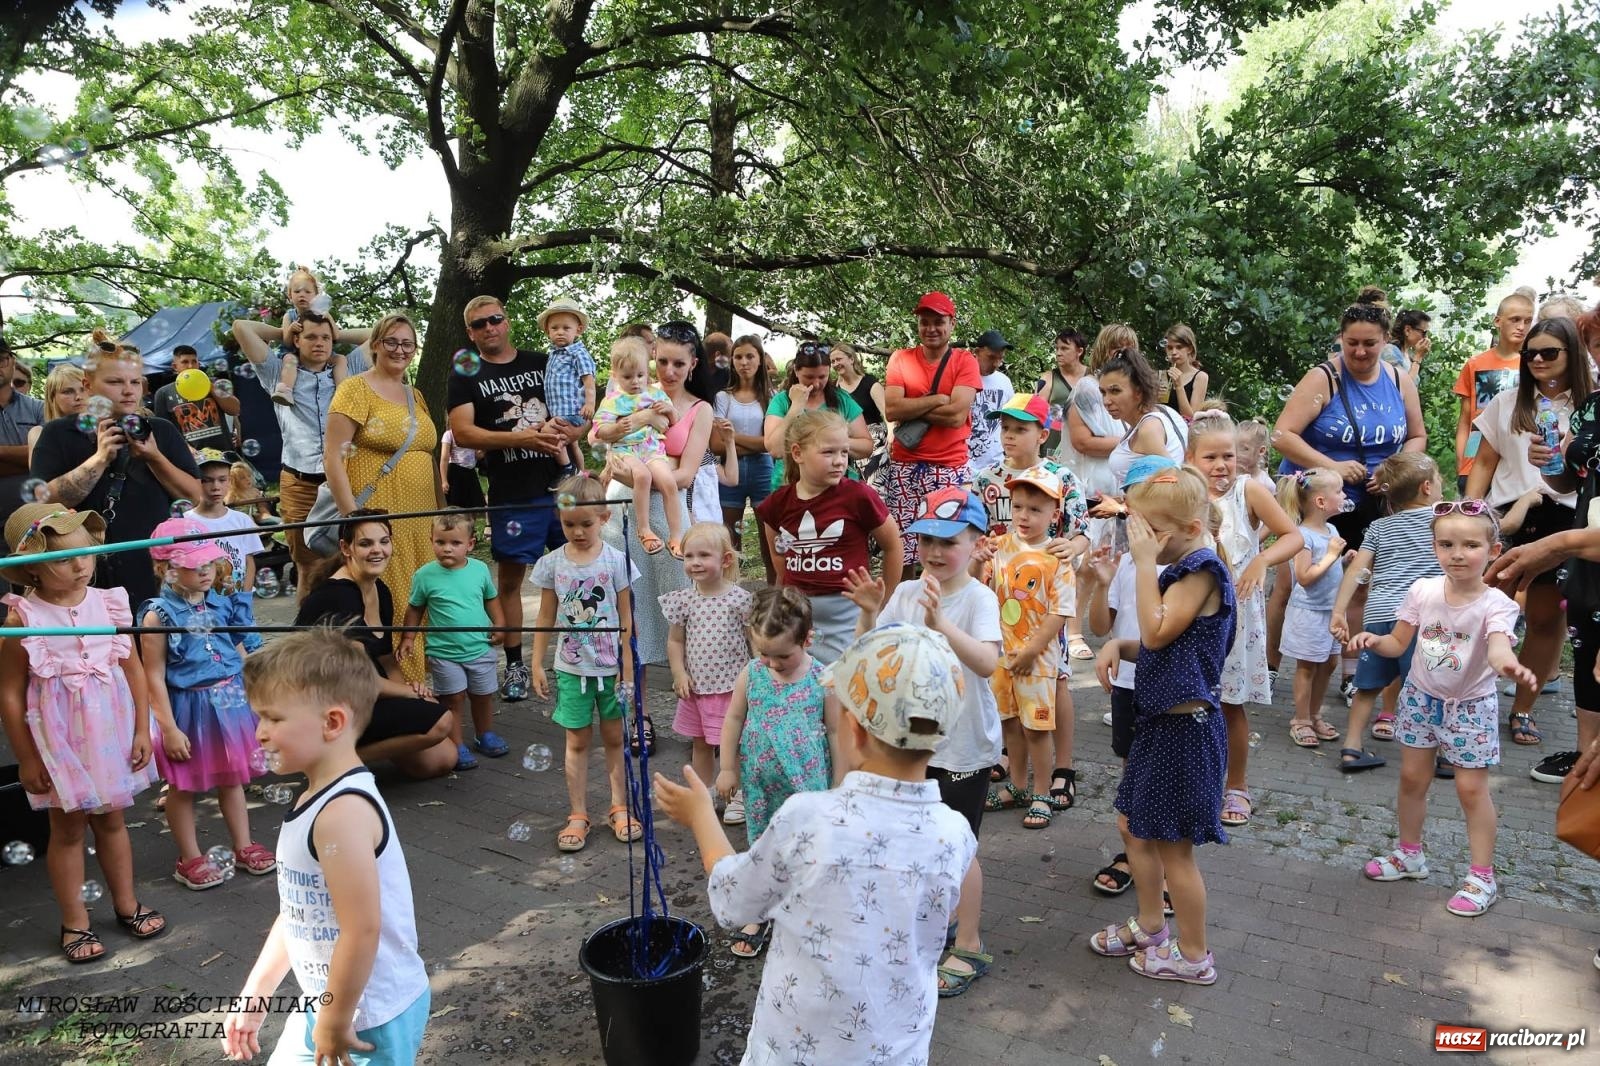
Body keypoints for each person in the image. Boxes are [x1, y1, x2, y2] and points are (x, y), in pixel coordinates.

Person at [653, 624, 975, 1062]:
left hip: (795, 1048)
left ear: (855, 732)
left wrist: (700, 817)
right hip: (895, 1049)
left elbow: (734, 902)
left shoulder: (809, 818)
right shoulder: (955, 834)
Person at [226, 631, 430, 1064]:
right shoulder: (315, 797)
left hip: (368, 1015)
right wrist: (257, 991)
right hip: (329, 1003)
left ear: (332, 722)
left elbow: (361, 928)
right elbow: (302, 908)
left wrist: (335, 1019)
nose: (259, 733)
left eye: (273, 718)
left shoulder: (341, 813)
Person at [843, 486, 1001, 997]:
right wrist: (870, 611)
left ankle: (969, 942)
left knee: (960, 846)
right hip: (911, 744)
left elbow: (987, 662)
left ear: (976, 542)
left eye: (948, 540)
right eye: (926, 538)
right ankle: (939, 918)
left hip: (964, 747)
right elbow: (875, 647)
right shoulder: (908, 591)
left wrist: (940, 624)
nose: (934, 551)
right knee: (916, 837)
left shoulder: (979, 599)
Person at [1089, 460, 1234, 985]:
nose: (1140, 541)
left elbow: (1155, 633)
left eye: (1150, 531)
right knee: (1131, 824)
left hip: (1185, 730)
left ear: (1192, 529)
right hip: (1160, 723)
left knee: (1176, 851)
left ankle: (1194, 956)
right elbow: (1158, 642)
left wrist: (1145, 564)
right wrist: (1116, 644)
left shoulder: (1200, 571)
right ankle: (1152, 926)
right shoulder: (1180, 570)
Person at [1354, 500, 1536, 917]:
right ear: (1434, 547)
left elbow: (1497, 648)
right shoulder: (1422, 589)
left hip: (1470, 707)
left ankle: (1482, 876)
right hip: (1420, 698)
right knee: (1411, 778)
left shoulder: (1498, 605)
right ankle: (1409, 855)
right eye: (1447, 544)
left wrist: (1508, 664)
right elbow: (1398, 643)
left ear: (1492, 550)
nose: (1457, 553)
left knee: (1471, 790)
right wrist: (1372, 640)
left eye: (1470, 545)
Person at [0, 505, 165, 962]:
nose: (80, 566)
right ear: (29, 567)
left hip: (109, 731)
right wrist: (27, 757)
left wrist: (140, 728)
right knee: (68, 828)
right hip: (59, 740)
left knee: (113, 820)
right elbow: (10, 694)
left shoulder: (107, 602)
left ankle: (126, 904)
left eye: (87, 554)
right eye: (63, 559)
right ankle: (75, 922)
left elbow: (133, 669)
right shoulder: (23, 619)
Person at [1274, 301, 1427, 698]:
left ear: (1386, 342)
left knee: (1357, 584)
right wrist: (1333, 467)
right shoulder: (1323, 377)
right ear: (1340, 339)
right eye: (1351, 343)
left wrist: (1393, 470)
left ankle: (1348, 672)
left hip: (1374, 499)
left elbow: (1417, 436)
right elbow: (1283, 434)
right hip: (1319, 499)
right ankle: (1271, 667)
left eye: (1369, 344)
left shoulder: (1398, 379)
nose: (1359, 352)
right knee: (1296, 584)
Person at [446, 295, 580, 702]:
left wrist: (570, 433)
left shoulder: (544, 361)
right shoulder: (465, 374)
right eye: (480, 324)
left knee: (579, 574)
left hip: (560, 489)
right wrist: (522, 437)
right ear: (470, 333)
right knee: (510, 582)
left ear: (507, 322)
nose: (489, 328)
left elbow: (580, 411)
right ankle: (516, 665)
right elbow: (464, 433)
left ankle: (584, 656)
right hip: (511, 494)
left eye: (495, 319)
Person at [1467, 314, 1588, 753]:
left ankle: (1522, 709)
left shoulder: (1591, 404)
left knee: (1543, 619)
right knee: (1479, 612)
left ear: (1572, 354)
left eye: (1549, 352)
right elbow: (1483, 462)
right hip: (1509, 514)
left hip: (1567, 519)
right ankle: (1465, 699)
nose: (1537, 359)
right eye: (1530, 352)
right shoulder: (1507, 401)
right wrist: (1473, 513)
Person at [138, 520, 275, 890]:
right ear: (166, 569)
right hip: (189, 709)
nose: (204, 571)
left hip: (229, 701)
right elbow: (153, 676)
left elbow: (242, 649)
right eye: (194, 565)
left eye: (209, 564)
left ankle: (243, 845)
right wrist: (167, 728)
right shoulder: (157, 615)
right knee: (184, 786)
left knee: (232, 777)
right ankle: (190, 857)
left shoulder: (221, 602)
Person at [600, 321, 715, 749]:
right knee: (630, 616)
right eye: (661, 360)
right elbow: (603, 446)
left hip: (667, 517)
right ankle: (638, 717)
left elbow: (685, 473)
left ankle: (703, 712)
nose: (668, 370)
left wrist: (638, 474)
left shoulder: (700, 409)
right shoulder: (627, 394)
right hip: (620, 513)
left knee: (684, 613)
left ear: (692, 365)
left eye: (678, 363)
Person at [1186, 407, 1302, 828]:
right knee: (1191, 703)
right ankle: (1197, 779)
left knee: (1230, 705)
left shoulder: (1249, 492)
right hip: (1190, 617)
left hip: (1235, 620)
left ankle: (1237, 785)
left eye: (1229, 457)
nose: (1221, 466)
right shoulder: (1184, 494)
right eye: (1210, 457)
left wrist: (1261, 560)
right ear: (1189, 459)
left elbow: (1293, 535)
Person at [971, 392, 1087, 804]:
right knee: (1007, 694)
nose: (1010, 436)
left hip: (1044, 603)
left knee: (1056, 683)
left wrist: (1073, 547)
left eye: (1021, 428)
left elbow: (1080, 530)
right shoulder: (986, 479)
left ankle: (1061, 769)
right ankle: (1015, 772)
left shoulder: (1062, 478)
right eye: (1005, 428)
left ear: (1043, 433)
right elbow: (976, 533)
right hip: (1001, 600)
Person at [30, 333, 201, 608]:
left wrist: (155, 457)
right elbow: (42, 502)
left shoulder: (161, 431)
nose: (128, 390)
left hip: (157, 573)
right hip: (89, 577)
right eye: (115, 382)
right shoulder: (59, 433)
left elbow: (195, 497)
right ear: (88, 385)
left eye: (135, 382)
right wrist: (98, 460)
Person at [712, 586, 836, 958]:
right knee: (762, 849)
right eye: (763, 653)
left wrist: (842, 784)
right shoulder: (753, 673)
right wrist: (727, 767)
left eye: (782, 655)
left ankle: (804, 911)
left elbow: (837, 732)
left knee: (807, 850)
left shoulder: (823, 679)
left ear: (807, 639)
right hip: (760, 786)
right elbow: (734, 718)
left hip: (807, 788)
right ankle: (760, 911)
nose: (772, 663)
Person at [293, 512, 456, 780]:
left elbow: (387, 659)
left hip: (358, 696)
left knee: (440, 759)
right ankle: (331, 763)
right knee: (441, 721)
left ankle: (349, 752)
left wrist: (413, 690)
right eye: (366, 543)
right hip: (323, 703)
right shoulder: (340, 595)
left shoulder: (380, 590)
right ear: (346, 548)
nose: (377, 550)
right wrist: (408, 695)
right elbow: (357, 677)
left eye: (384, 541)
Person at [323, 312, 441, 683]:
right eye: (391, 341)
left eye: (407, 343)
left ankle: (425, 689)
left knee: (423, 601)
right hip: (380, 519)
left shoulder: (416, 395)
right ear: (374, 345)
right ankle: (399, 690)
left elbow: (427, 458)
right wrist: (355, 520)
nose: (399, 350)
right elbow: (333, 456)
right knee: (392, 600)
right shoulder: (355, 389)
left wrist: (441, 515)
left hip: (421, 520)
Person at [529, 472, 642, 852]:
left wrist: (627, 666)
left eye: (586, 523)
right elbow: (545, 616)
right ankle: (578, 814)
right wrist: (536, 662)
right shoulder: (552, 564)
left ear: (604, 518)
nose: (577, 532)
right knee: (576, 742)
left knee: (614, 738)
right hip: (571, 669)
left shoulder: (616, 561)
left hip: (611, 669)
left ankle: (620, 807)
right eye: (568, 524)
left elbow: (628, 621)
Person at [234, 308, 372, 601]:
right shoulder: (277, 372)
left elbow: (379, 334)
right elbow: (241, 327)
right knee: (308, 566)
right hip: (300, 483)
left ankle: (351, 633)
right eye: (310, 336)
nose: (320, 343)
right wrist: (283, 333)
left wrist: (338, 333)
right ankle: (310, 637)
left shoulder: (349, 369)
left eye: (325, 337)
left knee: (355, 559)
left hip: (344, 481)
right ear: (297, 340)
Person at [755, 409, 901, 663]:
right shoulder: (777, 504)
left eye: (844, 452)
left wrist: (882, 601)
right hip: (797, 614)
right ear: (798, 453)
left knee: (844, 686)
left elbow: (893, 545)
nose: (839, 461)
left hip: (848, 614)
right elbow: (778, 555)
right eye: (828, 452)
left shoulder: (858, 496)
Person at [1329, 453, 1444, 771]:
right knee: (1431, 687)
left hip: (1378, 616)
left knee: (1367, 686)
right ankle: (1441, 754)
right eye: (1438, 481)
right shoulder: (1444, 518)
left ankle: (1352, 747)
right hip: (1424, 617)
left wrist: (1339, 610)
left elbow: (1356, 571)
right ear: (1425, 487)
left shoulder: (1379, 527)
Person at [981, 467, 1072, 831]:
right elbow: (983, 590)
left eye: (1035, 509)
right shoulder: (1000, 547)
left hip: (1037, 659)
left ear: (1054, 514)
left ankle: (1041, 791)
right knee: (1010, 724)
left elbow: (1060, 612)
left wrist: (1033, 650)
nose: (1023, 515)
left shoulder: (1057, 557)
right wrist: (976, 558)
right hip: (1002, 654)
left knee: (1036, 728)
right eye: (1017, 506)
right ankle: (1017, 786)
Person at [1078, 535, 1161, 896]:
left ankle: (1170, 866)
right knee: (1132, 772)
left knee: (1166, 777)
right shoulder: (1127, 561)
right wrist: (1103, 582)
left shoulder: (1191, 565)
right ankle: (1133, 854)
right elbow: (1099, 627)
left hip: (1170, 688)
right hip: (1128, 681)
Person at [882, 292, 982, 580]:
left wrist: (912, 407)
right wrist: (938, 398)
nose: (931, 328)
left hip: (950, 467)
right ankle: (903, 605)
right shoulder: (901, 359)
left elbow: (956, 417)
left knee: (948, 544)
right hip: (905, 466)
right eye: (924, 322)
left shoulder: (965, 361)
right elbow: (892, 409)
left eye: (938, 321)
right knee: (903, 545)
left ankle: (944, 608)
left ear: (952, 323)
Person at [398, 511, 507, 771]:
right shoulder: (425, 575)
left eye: (455, 543)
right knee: (453, 699)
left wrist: (501, 625)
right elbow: (415, 608)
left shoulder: (480, 570)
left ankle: (485, 734)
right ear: (431, 540)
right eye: (440, 542)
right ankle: (456, 744)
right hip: (443, 651)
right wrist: (408, 637)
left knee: (482, 695)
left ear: (470, 544)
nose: (447, 549)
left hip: (480, 647)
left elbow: (491, 599)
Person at [663, 523, 754, 820]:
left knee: (735, 744)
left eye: (704, 555)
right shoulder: (684, 600)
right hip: (697, 689)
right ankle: (703, 794)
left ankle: (738, 795)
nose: (695, 562)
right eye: (689, 556)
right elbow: (676, 641)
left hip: (732, 688)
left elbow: (754, 641)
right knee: (700, 744)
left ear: (725, 559)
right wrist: (679, 673)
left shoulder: (739, 599)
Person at [1275, 469, 1348, 749]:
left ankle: (1315, 715)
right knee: (1307, 666)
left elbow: (1327, 571)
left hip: (1331, 611)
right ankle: (1301, 720)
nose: (1344, 496)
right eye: (1339, 491)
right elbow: (1304, 577)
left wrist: (1342, 561)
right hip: (1308, 612)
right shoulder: (1302, 536)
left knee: (1329, 663)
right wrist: (1331, 556)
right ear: (1320, 502)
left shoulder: (1332, 530)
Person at [596, 336, 684, 556]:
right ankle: (644, 530)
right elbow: (599, 430)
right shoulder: (612, 401)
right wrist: (616, 429)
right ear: (614, 375)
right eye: (627, 376)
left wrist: (669, 410)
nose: (635, 381)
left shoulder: (655, 394)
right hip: (625, 450)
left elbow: (674, 421)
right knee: (642, 476)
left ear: (648, 372)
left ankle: (677, 536)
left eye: (640, 375)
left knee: (668, 483)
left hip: (652, 449)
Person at [761, 339, 873, 490]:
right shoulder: (781, 401)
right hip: (789, 487)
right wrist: (795, 407)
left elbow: (866, 446)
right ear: (796, 370)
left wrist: (831, 440)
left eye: (822, 377)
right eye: (809, 377)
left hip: (837, 489)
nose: (816, 384)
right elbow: (775, 449)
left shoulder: (842, 400)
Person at [1454, 288, 1536, 495]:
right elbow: (1466, 419)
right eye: (1515, 319)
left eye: (1528, 321)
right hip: (1477, 450)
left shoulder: (1535, 363)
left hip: (1516, 455)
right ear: (1498, 321)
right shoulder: (1475, 364)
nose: (1521, 327)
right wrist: (1462, 460)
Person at [714, 334, 776, 584]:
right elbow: (717, 444)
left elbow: (772, 444)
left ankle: (774, 589)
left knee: (768, 535)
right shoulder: (723, 397)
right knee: (730, 535)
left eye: (750, 356)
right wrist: (759, 445)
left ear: (760, 359)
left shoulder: (771, 396)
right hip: (730, 470)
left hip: (763, 469)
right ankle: (729, 589)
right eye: (738, 357)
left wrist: (734, 438)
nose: (744, 362)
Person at [1098, 347, 1186, 501]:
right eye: (1103, 392)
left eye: (1115, 391)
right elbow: (1146, 488)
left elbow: (1171, 487)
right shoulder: (1150, 420)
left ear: (1138, 392)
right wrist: (1117, 502)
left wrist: (1123, 508)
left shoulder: (1149, 428)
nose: (1106, 401)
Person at [0, 335, 47, 594]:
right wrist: (27, 457)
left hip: (36, 522)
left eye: (1, 359)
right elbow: (35, 459)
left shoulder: (39, 408)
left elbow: (46, 459)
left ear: (11, 361)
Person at [269, 267, 355, 406]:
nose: (302, 295)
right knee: (289, 360)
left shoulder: (322, 314)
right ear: (290, 295)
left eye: (307, 292)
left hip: (319, 354)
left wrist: (329, 318)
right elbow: (286, 341)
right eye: (297, 291)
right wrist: (290, 329)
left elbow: (336, 336)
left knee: (340, 359)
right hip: (295, 353)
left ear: (316, 295)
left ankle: (342, 391)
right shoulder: (289, 316)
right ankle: (286, 390)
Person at [184, 450, 265, 594]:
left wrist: (245, 598)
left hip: (238, 598)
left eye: (222, 480)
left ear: (229, 481)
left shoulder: (242, 520)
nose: (216, 487)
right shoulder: (185, 522)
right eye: (206, 480)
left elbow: (249, 563)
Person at [537, 296, 598, 471]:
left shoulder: (578, 353)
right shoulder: (554, 355)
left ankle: (567, 467)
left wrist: (590, 404)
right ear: (548, 331)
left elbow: (588, 380)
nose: (560, 332)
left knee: (548, 434)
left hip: (571, 410)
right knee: (573, 445)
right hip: (560, 410)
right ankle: (581, 473)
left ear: (578, 330)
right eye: (554, 328)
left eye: (566, 328)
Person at [151, 344, 239, 455]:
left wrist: (210, 386)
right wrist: (185, 448)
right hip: (192, 459)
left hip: (225, 453)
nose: (190, 366)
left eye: (194, 361)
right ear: (175, 367)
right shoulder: (163, 393)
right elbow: (164, 431)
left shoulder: (213, 384)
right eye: (185, 362)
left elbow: (235, 409)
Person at [967, 328, 1016, 474]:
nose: (996, 363)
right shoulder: (963, 378)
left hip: (995, 464)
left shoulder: (1004, 382)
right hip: (964, 463)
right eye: (991, 357)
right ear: (977, 352)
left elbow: (1011, 420)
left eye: (1000, 359)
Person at [1038, 327, 1089, 456]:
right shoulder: (1048, 378)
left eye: (1064, 348)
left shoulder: (1093, 377)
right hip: (1051, 447)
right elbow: (1036, 416)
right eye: (1057, 348)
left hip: (1085, 446)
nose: (1058, 353)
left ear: (1079, 351)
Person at [24, 362, 85, 458]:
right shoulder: (39, 433)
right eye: (68, 392)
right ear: (52, 398)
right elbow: (41, 472)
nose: (78, 397)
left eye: (84, 389)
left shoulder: (101, 429)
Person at [1161, 324, 1208, 420]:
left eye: (1179, 347)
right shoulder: (1163, 377)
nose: (1174, 352)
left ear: (1189, 349)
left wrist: (1179, 386)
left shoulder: (1200, 377)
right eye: (1170, 348)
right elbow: (1160, 412)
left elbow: (1191, 418)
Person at [438, 426, 486, 516]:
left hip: (470, 471)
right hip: (456, 471)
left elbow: (477, 455)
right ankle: (457, 527)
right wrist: (444, 481)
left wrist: (485, 449)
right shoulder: (449, 434)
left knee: (472, 505)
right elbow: (444, 459)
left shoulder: (471, 435)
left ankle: (471, 528)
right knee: (456, 505)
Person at [1392, 309, 1432, 384]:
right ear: (1407, 330)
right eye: (1423, 332)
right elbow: (1406, 387)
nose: (1426, 337)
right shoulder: (1390, 351)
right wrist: (1418, 357)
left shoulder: (1408, 355)